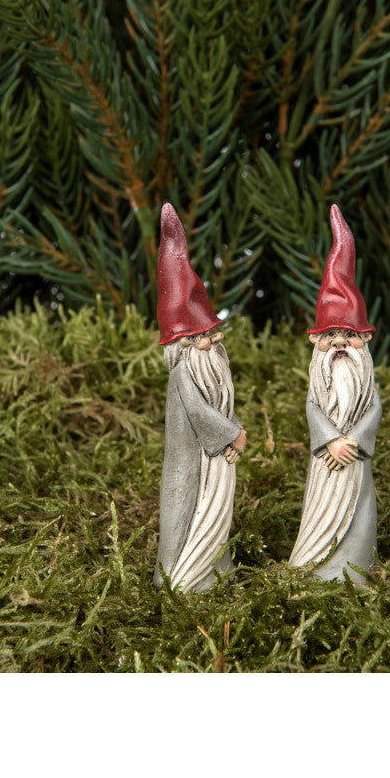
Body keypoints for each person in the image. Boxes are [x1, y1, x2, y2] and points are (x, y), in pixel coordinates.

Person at [152, 204, 246, 591]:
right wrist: (232, 434)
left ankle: (214, 568)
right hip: (192, 459)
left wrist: (233, 426)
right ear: (183, 343)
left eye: (212, 334)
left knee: (213, 511)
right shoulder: (183, 372)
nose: (211, 342)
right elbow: (198, 411)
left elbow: (222, 404)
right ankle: (180, 576)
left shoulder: (210, 361)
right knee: (187, 508)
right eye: (201, 337)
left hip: (212, 456)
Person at [289, 204, 381, 583]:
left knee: (359, 511)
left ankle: (355, 570)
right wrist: (330, 441)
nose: (340, 343)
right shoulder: (318, 382)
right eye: (331, 336)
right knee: (321, 508)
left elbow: (373, 410)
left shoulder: (366, 383)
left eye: (349, 335)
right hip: (327, 459)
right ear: (317, 342)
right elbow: (313, 408)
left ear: (365, 340)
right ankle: (316, 566)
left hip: (355, 457)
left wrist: (353, 442)